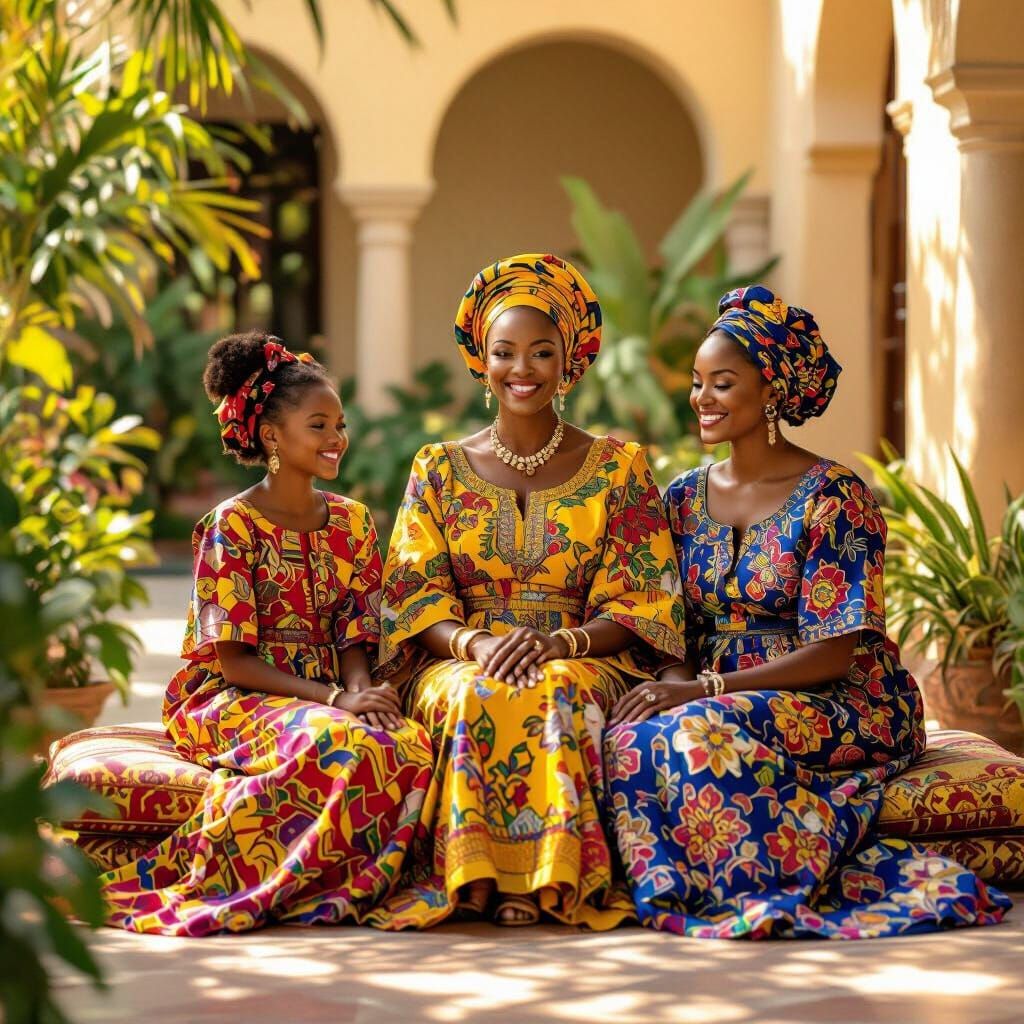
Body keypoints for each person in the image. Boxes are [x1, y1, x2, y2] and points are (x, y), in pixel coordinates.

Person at [605, 285, 1011, 938]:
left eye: (723, 383)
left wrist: (707, 689)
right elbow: (668, 618)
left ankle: (762, 887)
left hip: (844, 696)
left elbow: (835, 651)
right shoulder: (681, 498)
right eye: (698, 382)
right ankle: (680, 892)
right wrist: (676, 678)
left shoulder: (835, 497)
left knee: (702, 729)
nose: (701, 399)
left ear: (770, 391)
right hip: (718, 687)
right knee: (629, 734)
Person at [369, 254, 686, 930]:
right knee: (472, 689)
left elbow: (642, 597)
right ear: (480, 360)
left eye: (542, 352)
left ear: (570, 360)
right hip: (459, 654)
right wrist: (477, 645)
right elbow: (411, 594)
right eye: (505, 352)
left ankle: (547, 880)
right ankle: (472, 875)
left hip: (584, 653)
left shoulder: (618, 467)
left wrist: (557, 642)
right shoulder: (438, 468)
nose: (523, 369)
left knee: (554, 687)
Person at [99, 331, 433, 935]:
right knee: (346, 742)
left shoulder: (354, 521)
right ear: (272, 435)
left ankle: (347, 886)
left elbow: (355, 635)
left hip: (328, 688)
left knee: (404, 741)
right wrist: (337, 702)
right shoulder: (230, 526)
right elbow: (234, 664)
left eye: (340, 424)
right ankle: (279, 887)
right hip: (234, 697)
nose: (337, 439)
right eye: (318, 425)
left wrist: (362, 691)